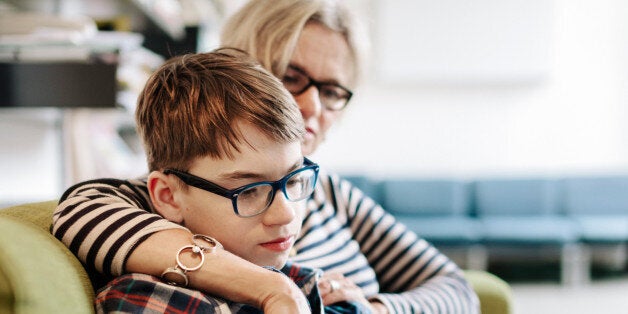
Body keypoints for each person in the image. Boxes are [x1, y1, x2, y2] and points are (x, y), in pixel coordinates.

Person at [52, 0, 480, 313]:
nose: (312, 107)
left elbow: (456, 289)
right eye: (292, 77)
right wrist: (272, 289)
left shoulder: (329, 190)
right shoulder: (176, 196)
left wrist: (375, 307)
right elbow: (78, 213)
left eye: (331, 91)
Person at [92, 49, 370, 313]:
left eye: (294, 180)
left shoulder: (298, 278)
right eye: (249, 191)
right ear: (168, 196)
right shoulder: (153, 299)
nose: (285, 214)